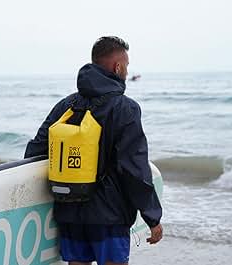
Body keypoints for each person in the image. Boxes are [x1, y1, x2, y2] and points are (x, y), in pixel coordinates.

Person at [24, 36, 163, 265]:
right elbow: (134, 169)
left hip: (69, 213)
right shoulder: (125, 108)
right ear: (117, 67)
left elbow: (36, 151)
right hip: (110, 217)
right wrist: (153, 217)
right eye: (126, 65)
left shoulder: (66, 105)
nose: (127, 71)